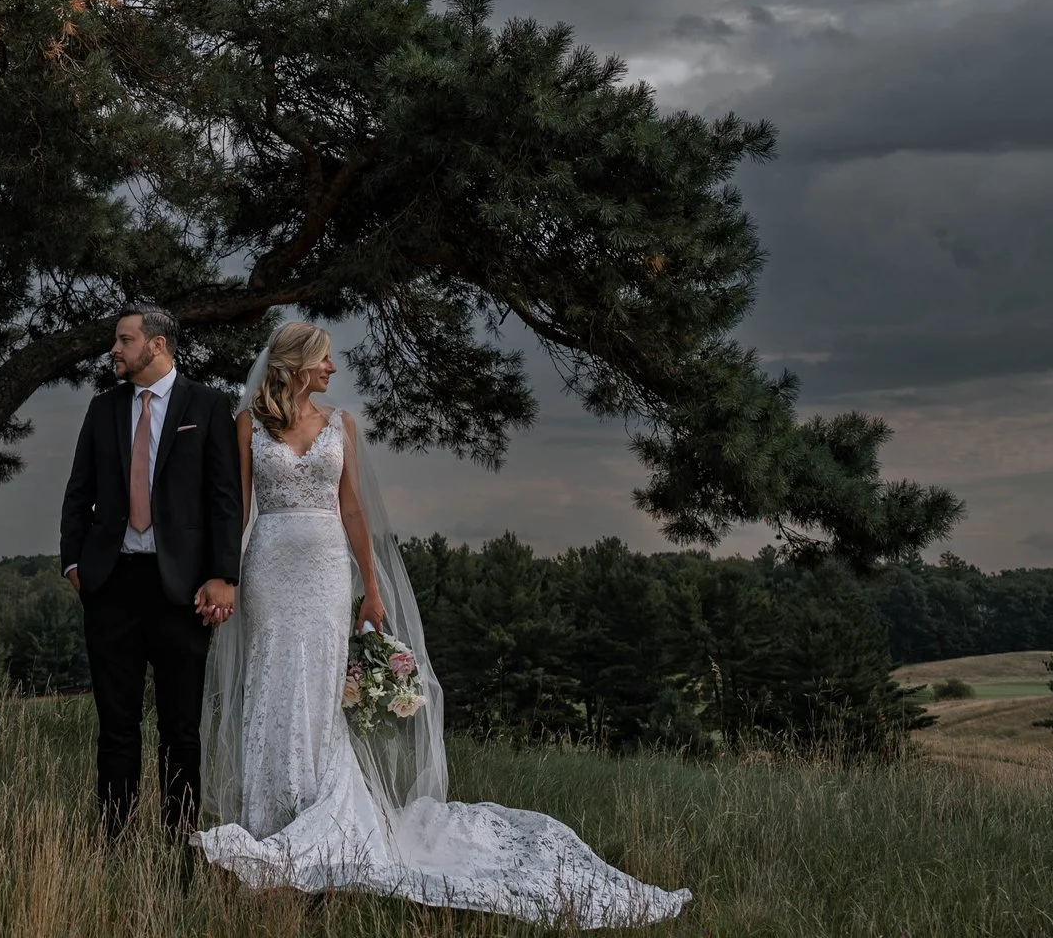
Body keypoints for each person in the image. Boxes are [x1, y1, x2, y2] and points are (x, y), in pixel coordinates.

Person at [196, 321, 691, 927]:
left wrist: (371, 588)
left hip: (325, 571)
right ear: (297, 363)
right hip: (270, 567)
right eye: (324, 359)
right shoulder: (248, 424)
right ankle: (269, 821)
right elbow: (237, 508)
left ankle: (322, 819)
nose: (332, 369)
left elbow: (352, 509)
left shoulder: (341, 425)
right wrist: (225, 576)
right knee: (271, 683)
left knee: (320, 690)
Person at [59, 302, 244, 837]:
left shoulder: (207, 405)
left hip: (182, 591)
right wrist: (74, 563)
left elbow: (225, 499)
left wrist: (223, 575)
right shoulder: (103, 408)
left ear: (157, 345)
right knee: (115, 725)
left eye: (125, 340)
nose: (114, 350)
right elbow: (78, 492)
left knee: (180, 727)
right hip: (111, 584)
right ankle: (115, 839)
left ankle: (180, 842)